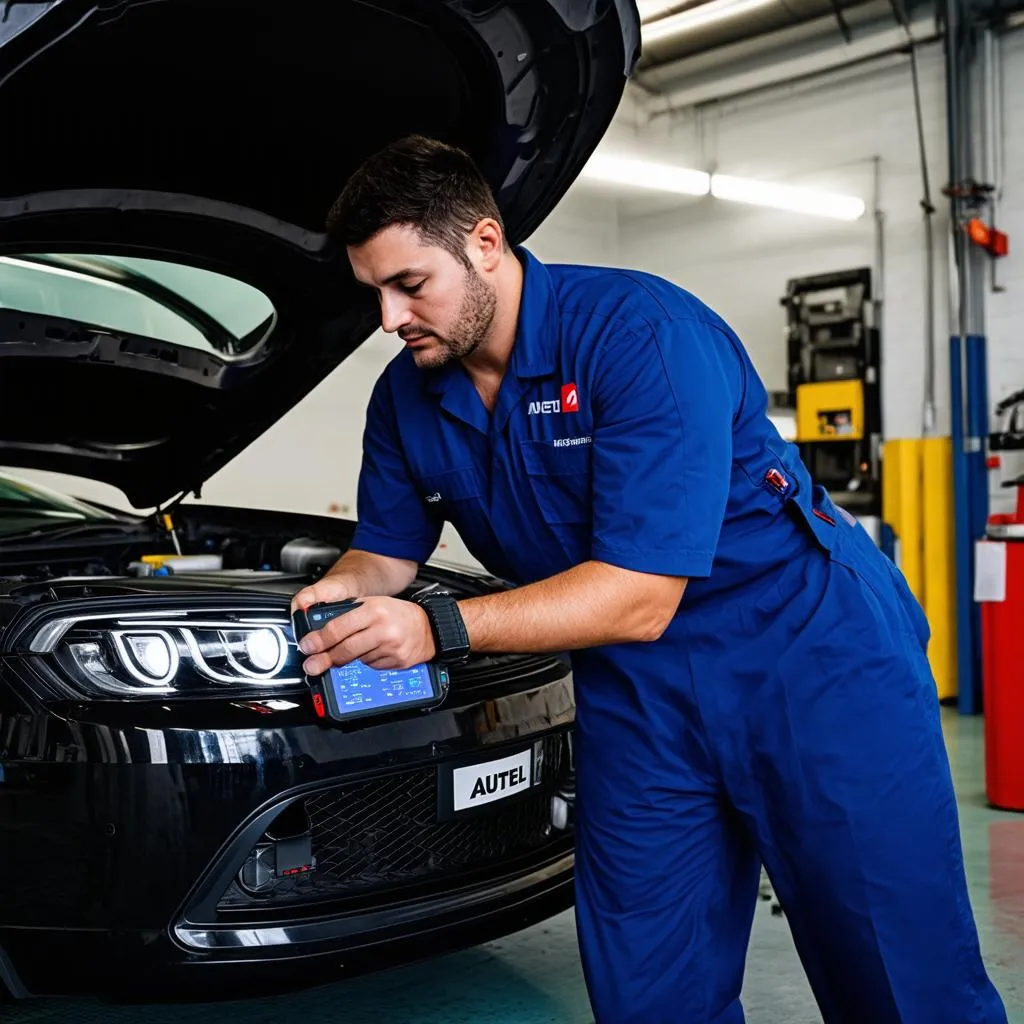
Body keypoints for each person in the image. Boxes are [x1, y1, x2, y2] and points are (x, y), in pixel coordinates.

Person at [291, 135, 1006, 1024]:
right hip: (634, 687)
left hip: (810, 660)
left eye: (410, 286)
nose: (391, 319)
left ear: (483, 243)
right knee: (649, 984)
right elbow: (387, 550)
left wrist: (438, 629)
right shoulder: (408, 395)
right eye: (376, 294)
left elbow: (640, 592)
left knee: (901, 977)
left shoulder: (641, 335)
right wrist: (347, 590)